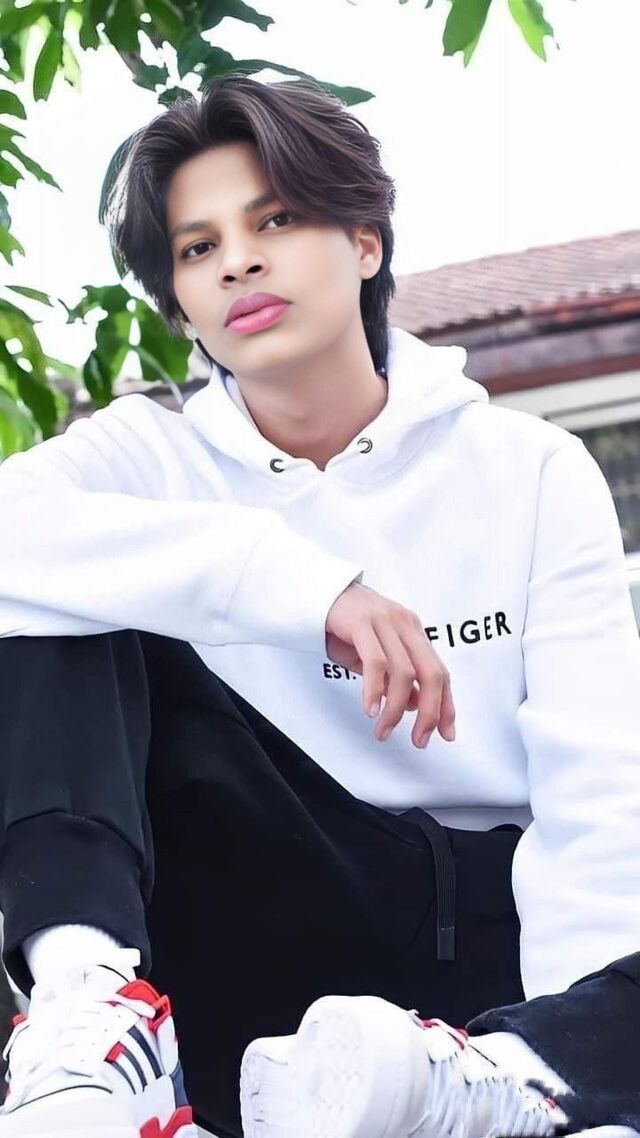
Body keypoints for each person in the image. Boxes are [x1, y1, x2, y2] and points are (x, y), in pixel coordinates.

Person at [0, 74, 639, 1138]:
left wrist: (578, 1051)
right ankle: (89, 1013)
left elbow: (601, 794)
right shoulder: (143, 460)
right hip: (259, 932)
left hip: (499, 948)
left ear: (365, 242)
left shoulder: (529, 468)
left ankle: (513, 1080)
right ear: (182, 304)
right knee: (45, 592)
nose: (238, 262)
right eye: (198, 248)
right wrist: (287, 578)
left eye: (276, 221)